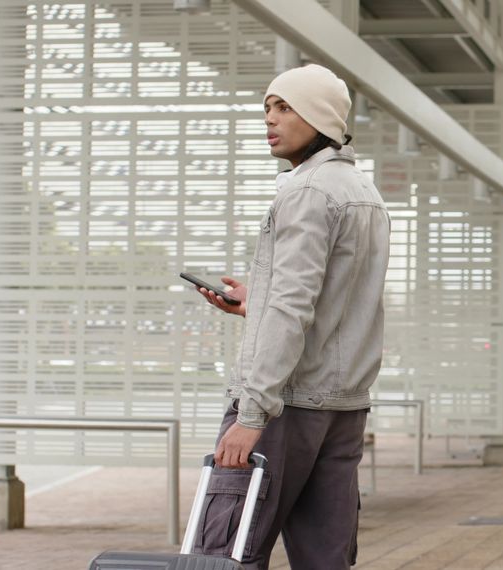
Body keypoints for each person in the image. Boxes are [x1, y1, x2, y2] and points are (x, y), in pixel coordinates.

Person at [191, 64, 390, 569]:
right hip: (342, 410)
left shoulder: (306, 191)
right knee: (326, 558)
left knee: (224, 552)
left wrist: (252, 412)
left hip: (286, 404)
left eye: (284, 107)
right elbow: (335, 302)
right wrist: (256, 303)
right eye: (268, 107)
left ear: (320, 116)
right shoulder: (364, 193)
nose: (270, 119)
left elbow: (293, 305)